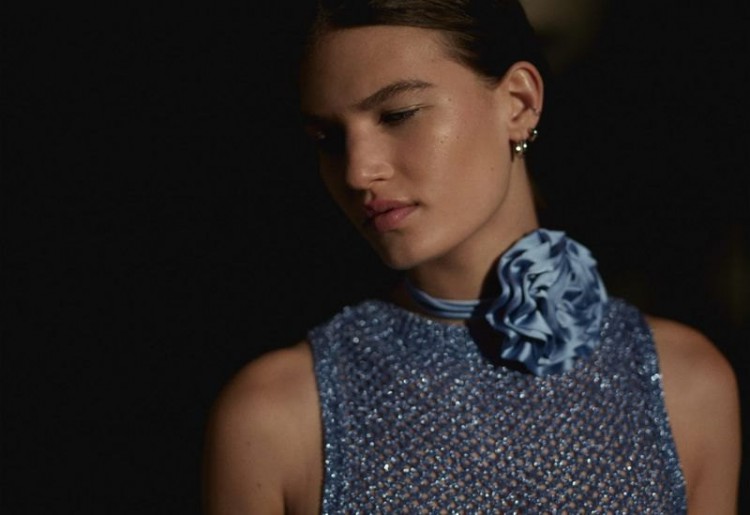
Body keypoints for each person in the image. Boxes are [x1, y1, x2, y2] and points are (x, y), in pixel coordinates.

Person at [202, 1, 741, 512]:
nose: (358, 171)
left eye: (398, 114)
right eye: (328, 138)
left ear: (518, 103)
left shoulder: (685, 385)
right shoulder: (278, 417)